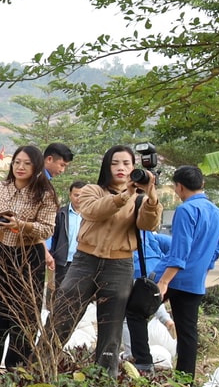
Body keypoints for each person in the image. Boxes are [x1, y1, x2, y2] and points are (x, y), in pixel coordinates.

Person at [42, 144, 162, 372]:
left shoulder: (140, 199)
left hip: (119, 265)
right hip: (85, 261)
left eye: (126, 163)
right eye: (115, 162)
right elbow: (93, 212)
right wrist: (125, 194)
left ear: (134, 167)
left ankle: (104, 380)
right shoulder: (92, 190)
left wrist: (151, 194)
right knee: (63, 314)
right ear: (107, 165)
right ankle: (39, 367)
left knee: (112, 326)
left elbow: (149, 224)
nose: (120, 168)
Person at [0, 145, 59, 375]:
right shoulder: (0, 187)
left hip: (30, 255)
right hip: (1, 250)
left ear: (37, 165)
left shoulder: (46, 193)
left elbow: (47, 229)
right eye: (17, 162)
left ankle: (17, 367)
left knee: (25, 310)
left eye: (27, 163)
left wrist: (22, 225)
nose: (20, 167)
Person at [157, 165, 219, 377]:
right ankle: (185, 379)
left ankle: (141, 361)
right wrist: (204, 269)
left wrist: (163, 282)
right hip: (195, 281)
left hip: (174, 278)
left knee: (134, 312)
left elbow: (180, 250)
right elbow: (216, 249)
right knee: (188, 331)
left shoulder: (186, 210)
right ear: (202, 184)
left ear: (179, 187)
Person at [128, 229, 174, 373]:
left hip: (136, 272)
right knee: (149, 302)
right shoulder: (146, 230)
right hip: (155, 271)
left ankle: (137, 359)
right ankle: (166, 320)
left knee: (132, 315)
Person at [42, 143, 75, 272]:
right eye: (62, 165)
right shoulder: (39, 182)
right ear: (49, 159)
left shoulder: (46, 182)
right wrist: (44, 251)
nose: (62, 170)